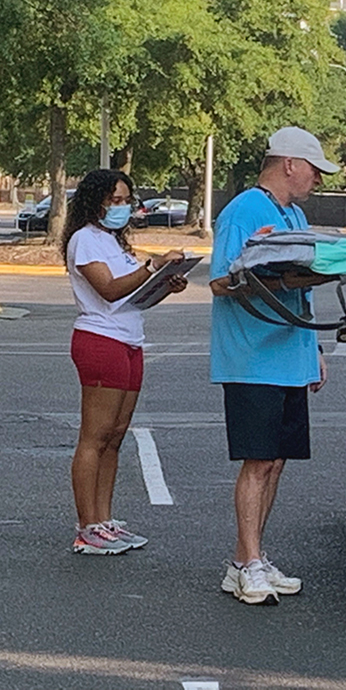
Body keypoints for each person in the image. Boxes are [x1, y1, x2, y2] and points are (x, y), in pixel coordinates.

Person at [209, 127, 339, 605]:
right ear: (289, 164)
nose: (317, 180)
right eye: (313, 170)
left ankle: (250, 559)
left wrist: (313, 350)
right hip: (252, 356)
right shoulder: (243, 210)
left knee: (277, 461)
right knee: (258, 461)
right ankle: (248, 562)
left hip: (289, 353)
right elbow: (221, 281)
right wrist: (265, 274)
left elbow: (299, 289)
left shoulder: (295, 213)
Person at [62, 169, 187, 555]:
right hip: (101, 340)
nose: (121, 207)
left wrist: (166, 283)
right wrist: (151, 267)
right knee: (94, 436)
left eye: (126, 201)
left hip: (129, 339)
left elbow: (135, 298)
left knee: (115, 437)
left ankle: (104, 519)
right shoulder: (85, 240)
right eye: (114, 200)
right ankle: (87, 527)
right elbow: (109, 289)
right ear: (94, 201)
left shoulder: (115, 243)